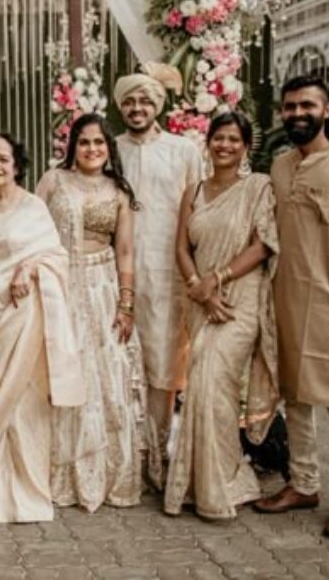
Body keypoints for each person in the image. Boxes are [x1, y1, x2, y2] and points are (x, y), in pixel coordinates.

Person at [254, 76, 329, 539]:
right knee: (294, 396)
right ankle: (304, 484)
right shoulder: (280, 166)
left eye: (307, 106)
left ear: (326, 111)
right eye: (290, 107)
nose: (298, 114)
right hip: (287, 299)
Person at [0, 132, 85, 523]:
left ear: (17, 165)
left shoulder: (33, 207)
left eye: (3, 159)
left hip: (19, 314)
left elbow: (55, 255)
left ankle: (24, 489)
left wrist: (29, 268)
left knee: (21, 400)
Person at [165, 111, 279, 520]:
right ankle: (205, 481)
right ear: (208, 142)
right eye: (219, 138)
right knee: (201, 383)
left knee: (214, 381)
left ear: (246, 147)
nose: (225, 145)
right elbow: (182, 248)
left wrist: (218, 278)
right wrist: (199, 285)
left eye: (234, 139)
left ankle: (224, 482)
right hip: (201, 300)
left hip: (239, 300)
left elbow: (262, 245)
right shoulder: (193, 191)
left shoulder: (258, 187)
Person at [35, 114, 146, 513]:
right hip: (59, 285)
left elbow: (126, 251)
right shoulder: (53, 181)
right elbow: (31, 228)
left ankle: (110, 474)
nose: (92, 149)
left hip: (102, 287)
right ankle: (61, 476)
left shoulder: (118, 191)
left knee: (106, 374)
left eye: (99, 142)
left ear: (108, 147)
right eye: (84, 142)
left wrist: (126, 303)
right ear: (73, 146)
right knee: (64, 368)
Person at [114, 64, 203, 485]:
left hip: (170, 270)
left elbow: (198, 208)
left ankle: (159, 455)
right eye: (130, 101)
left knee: (165, 364)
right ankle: (129, 453)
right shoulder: (111, 148)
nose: (137, 108)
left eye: (145, 101)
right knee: (122, 361)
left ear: (158, 106)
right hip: (120, 271)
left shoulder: (183, 150)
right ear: (120, 106)